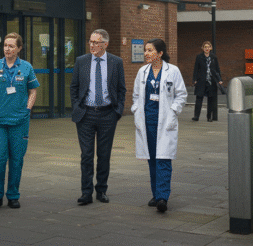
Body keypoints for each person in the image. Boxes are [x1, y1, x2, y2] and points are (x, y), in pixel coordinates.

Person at [70, 29, 127, 205]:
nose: (92, 45)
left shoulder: (116, 62)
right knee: (86, 155)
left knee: (104, 155)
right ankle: (86, 192)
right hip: (86, 114)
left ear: (105, 44)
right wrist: (76, 107)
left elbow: (121, 89)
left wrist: (117, 111)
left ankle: (101, 190)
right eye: (91, 41)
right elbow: (74, 87)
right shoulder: (81, 61)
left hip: (107, 114)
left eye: (96, 42)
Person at [0, 32, 39, 210]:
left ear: (19, 48)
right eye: (5, 45)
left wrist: (27, 110)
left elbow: (33, 92)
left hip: (19, 121)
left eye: (11, 46)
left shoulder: (27, 67)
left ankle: (13, 195)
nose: (7, 49)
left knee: (16, 159)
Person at [131, 38, 187, 213]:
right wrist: (135, 109)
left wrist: (173, 111)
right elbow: (136, 95)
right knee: (152, 159)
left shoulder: (173, 71)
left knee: (163, 158)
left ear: (160, 53)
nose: (146, 54)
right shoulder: (142, 72)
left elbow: (181, 95)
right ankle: (155, 194)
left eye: (150, 50)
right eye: (145, 50)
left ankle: (163, 197)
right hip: (147, 120)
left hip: (165, 120)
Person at [192, 41, 222, 122]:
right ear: (202, 48)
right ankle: (196, 116)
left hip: (211, 81)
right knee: (199, 98)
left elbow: (217, 69)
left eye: (208, 47)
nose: (207, 48)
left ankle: (209, 117)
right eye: (205, 47)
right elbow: (196, 69)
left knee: (210, 99)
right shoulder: (199, 57)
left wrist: (219, 79)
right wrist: (194, 79)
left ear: (211, 48)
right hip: (201, 80)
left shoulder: (213, 57)